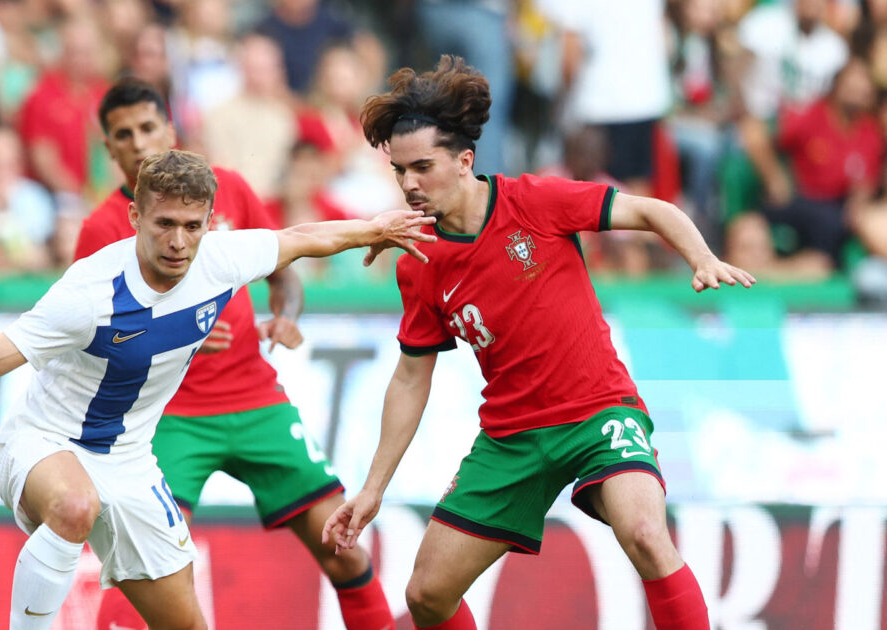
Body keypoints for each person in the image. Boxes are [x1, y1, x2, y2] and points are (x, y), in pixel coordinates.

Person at [0, 148, 434, 630]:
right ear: (134, 217)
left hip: (128, 461)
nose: (178, 241)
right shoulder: (91, 291)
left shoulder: (219, 259)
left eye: (191, 224)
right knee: (74, 506)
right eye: (163, 225)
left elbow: (298, 241)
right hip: (43, 444)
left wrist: (377, 229)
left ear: (211, 222)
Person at [322, 56, 756, 630]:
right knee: (427, 595)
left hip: (597, 411)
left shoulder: (535, 202)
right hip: (511, 439)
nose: (409, 184)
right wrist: (373, 489)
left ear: (464, 160)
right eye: (400, 171)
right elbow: (410, 377)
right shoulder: (418, 262)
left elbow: (650, 209)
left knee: (647, 534)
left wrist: (701, 258)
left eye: (422, 167)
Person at [74, 78, 395, 630]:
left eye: (148, 126)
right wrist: (171, 338)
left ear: (170, 129)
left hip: (256, 400)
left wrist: (286, 318)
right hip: (168, 419)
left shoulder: (230, 189)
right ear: (110, 149)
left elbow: (284, 276)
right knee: (144, 574)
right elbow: (88, 343)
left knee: (344, 549)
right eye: (123, 134)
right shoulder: (101, 230)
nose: (139, 141)